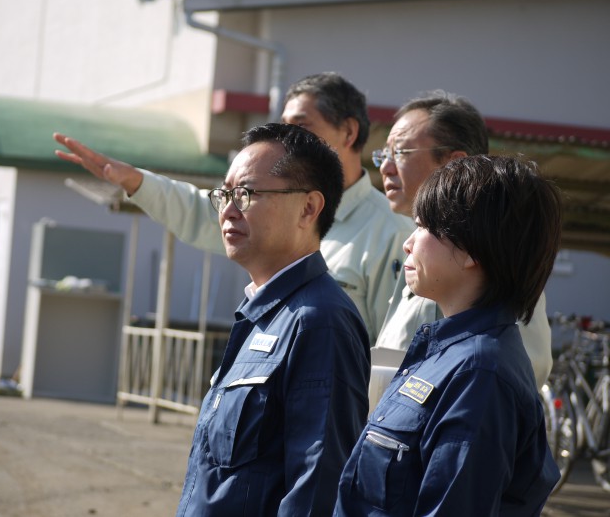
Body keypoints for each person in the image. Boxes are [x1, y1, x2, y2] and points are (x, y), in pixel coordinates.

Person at [54, 72, 414, 344]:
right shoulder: (271, 205)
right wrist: (136, 181)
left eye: (301, 127)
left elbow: (390, 353)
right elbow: (201, 212)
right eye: (282, 126)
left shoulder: (392, 233)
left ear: (349, 133)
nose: (286, 140)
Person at [334, 155, 562, 516]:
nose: (408, 244)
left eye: (423, 227)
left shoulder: (479, 374)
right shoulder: (450, 353)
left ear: (470, 249)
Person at [173, 123, 370, 516]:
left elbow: (315, 486)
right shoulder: (265, 313)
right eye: (225, 194)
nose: (228, 209)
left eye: (246, 193)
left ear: (309, 208)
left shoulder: (319, 321)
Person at [373, 90, 553, 388]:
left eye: (401, 153)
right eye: (384, 154)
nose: (385, 167)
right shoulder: (417, 246)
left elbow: (522, 369)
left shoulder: (492, 254)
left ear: (455, 163)